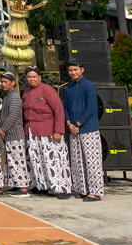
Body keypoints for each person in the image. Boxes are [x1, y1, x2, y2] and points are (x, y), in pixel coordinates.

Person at [22, 65, 71, 199]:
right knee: (37, 161)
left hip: (48, 131)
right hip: (32, 132)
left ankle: (63, 188)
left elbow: (59, 111)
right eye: (29, 77)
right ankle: (42, 186)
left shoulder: (48, 91)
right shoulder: (26, 92)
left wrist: (58, 131)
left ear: (39, 77)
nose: (32, 79)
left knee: (54, 160)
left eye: (34, 77)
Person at [63, 62, 103, 202]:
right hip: (73, 130)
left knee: (92, 162)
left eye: (75, 70)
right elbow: (66, 108)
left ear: (82, 70)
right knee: (77, 161)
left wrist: (78, 123)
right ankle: (83, 189)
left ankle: (95, 192)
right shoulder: (68, 88)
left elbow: (91, 107)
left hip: (88, 129)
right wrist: (69, 124)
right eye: (70, 70)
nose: (73, 73)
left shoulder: (89, 86)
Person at [0, 72, 30, 197]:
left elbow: (13, 116)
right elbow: (2, 115)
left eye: (6, 82)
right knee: (11, 161)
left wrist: (2, 129)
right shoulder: (7, 96)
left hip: (15, 134)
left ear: (13, 82)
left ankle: (23, 189)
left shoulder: (15, 97)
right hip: (8, 134)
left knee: (18, 161)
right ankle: (17, 185)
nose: (3, 84)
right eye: (2, 82)